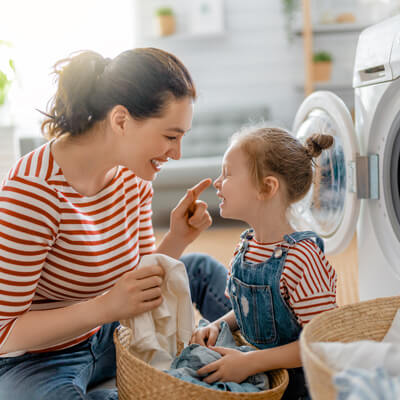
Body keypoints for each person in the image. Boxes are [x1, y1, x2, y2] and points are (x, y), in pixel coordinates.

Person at [0, 48, 230, 400]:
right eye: (170, 137)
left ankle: (259, 357)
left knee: (197, 269)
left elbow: (134, 282)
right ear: (121, 120)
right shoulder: (33, 192)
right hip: (37, 359)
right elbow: (5, 332)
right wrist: (105, 307)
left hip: (110, 334)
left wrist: (178, 239)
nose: (177, 153)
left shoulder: (134, 176)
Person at [187, 126, 338, 399]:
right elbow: (248, 309)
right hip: (253, 369)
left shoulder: (303, 259)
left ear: (267, 187)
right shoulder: (246, 247)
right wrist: (218, 325)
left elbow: (321, 341)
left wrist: (250, 363)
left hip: (298, 386)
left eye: (228, 174)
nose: (217, 182)